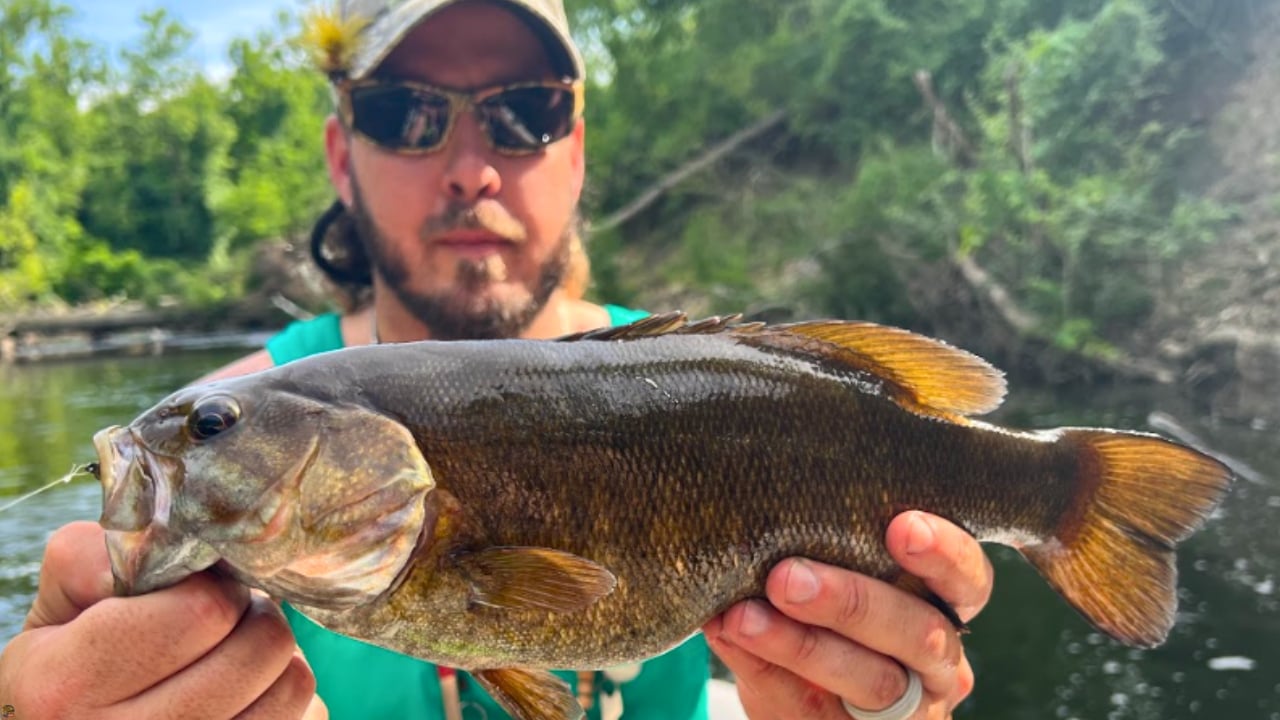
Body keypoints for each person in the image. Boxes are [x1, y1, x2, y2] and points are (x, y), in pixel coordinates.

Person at [0, 1, 994, 718]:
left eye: (524, 112)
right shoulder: (239, 430)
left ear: (576, 150)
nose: (471, 168)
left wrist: (883, 700)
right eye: (406, 113)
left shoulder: (717, 377)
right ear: (342, 156)